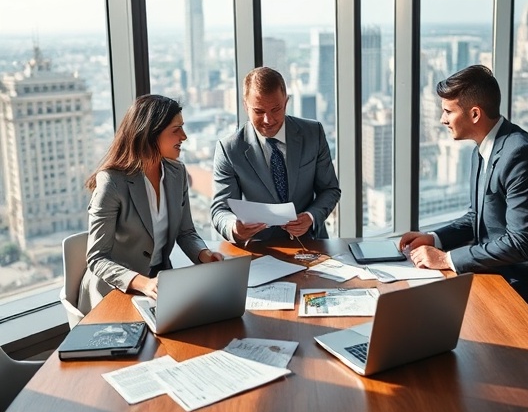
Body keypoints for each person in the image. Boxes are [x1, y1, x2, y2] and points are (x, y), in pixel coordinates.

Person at [399, 65, 528, 318]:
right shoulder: (482, 150)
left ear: (474, 114)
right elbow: (477, 217)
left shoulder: (522, 156)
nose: (442, 120)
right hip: (498, 280)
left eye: (448, 111)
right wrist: (434, 238)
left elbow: (520, 243)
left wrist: (446, 259)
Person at [78, 94, 223, 314]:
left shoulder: (177, 173)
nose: (184, 136)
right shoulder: (112, 182)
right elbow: (97, 258)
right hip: (115, 292)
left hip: (160, 285)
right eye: (176, 130)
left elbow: (186, 232)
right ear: (150, 134)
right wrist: (143, 283)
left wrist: (204, 254)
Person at [211, 66, 341, 242]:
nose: (268, 120)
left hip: (310, 244)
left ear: (286, 102)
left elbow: (330, 189)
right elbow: (220, 209)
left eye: (276, 109)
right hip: (259, 250)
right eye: (259, 111)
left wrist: (310, 217)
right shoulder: (229, 149)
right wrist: (234, 227)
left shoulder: (313, 133)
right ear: (245, 106)